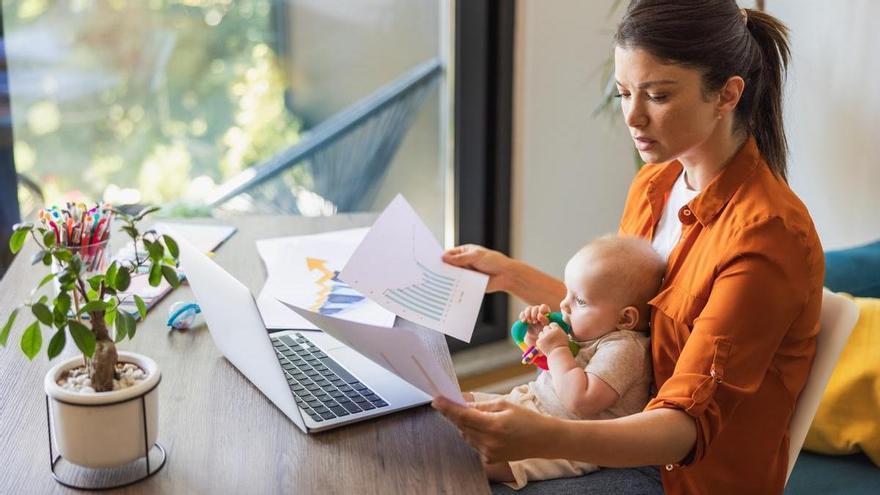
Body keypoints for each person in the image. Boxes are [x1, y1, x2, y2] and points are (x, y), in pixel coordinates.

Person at [432, 1, 825, 494]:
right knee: (420, 435)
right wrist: (510, 276)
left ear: (726, 94)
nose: (633, 116)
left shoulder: (768, 237)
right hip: (608, 423)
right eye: (622, 93)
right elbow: (623, 320)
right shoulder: (655, 185)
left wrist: (545, 437)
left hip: (673, 471)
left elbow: (683, 429)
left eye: (658, 95)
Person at [471, 236, 664, 489]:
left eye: (579, 301)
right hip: (533, 405)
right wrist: (536, 338)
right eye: (567, 293)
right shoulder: (592, 331)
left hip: (564, 442)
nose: (563, 305)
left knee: (475, 461)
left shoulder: (625, 349)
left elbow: (579, 399)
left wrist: (557, 349)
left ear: (626, 318)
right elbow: (556, 371)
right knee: (459, 401)